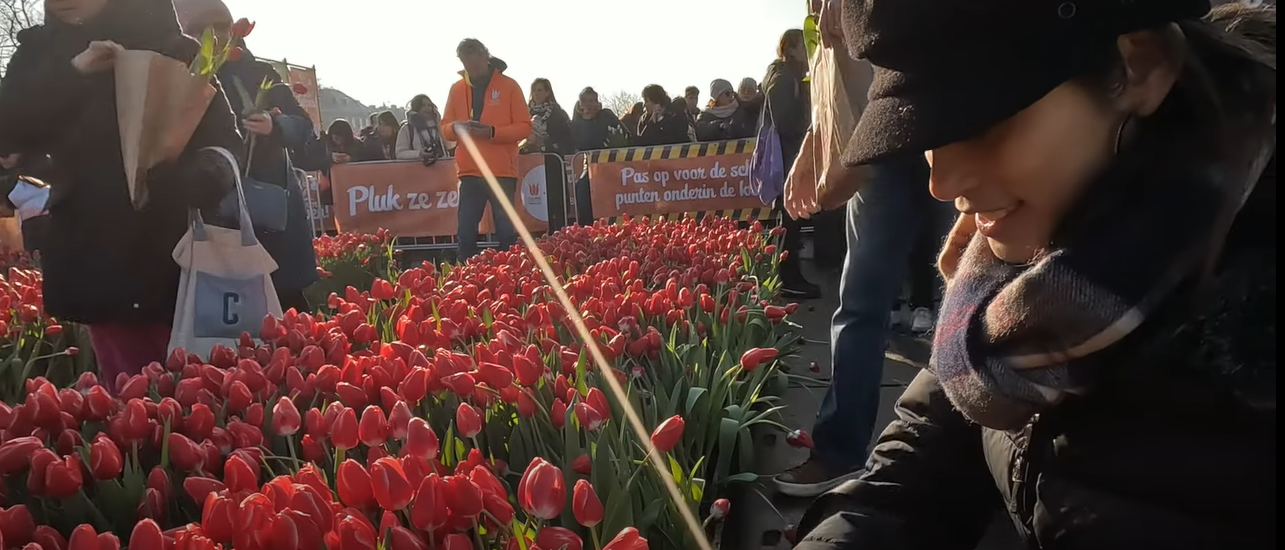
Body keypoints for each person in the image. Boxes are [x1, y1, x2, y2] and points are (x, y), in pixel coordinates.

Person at [795, 2, 1276, 549]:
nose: (943, 183)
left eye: (977, 120)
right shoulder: (1017, 269)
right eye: (924, 129)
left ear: (1138, 66)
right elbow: (922, 459)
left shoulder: (1248, 342)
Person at [0, 0, 242, 392]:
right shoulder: (39, 53)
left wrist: (201, 177)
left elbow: (223, 139)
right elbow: (9, 128)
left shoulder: (173, 46)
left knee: (201, 393)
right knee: (135, 396)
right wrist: (73, 73)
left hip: (176, 249)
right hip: (95, 251)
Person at [176, 0, 321, 315]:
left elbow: (302, 125)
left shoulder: (258, 74)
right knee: (228, 309)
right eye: (201, 32)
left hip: (265, 204)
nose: (212, 39)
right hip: (213, 207)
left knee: (284, 304)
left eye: (219, 30)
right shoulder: (185, 74)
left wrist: (274, 124)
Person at [440, 38, 531, 259]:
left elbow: (524, 127)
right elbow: (444, 129)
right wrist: (456, 127)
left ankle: (512, 284)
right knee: (466, 235)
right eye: (466, 64)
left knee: (506, 235)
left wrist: (492, 132)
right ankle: (462, 287)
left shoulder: (509, 86)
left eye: (475, 64)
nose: (471, 69)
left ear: (485, 57)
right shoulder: (456, 88)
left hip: (501, 172)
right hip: (470, 172)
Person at [761, 29, 822, 299]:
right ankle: (789, 278)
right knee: (791, 221)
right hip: (789, 157)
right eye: (804, 46)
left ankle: (791, 275)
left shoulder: (787, 76)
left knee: (792, 220)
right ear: (792, 49)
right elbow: (786, 121)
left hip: (790, 157)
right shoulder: (785, 78)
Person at [570, 87, 628, 224]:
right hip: (591, 164)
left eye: (593, 100)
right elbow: (580, 142)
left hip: (612, 162)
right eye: (587, 101)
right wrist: (587, 121)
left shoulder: (606, 115)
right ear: (581, 104)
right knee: (582, 188)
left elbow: (624, 133)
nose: (590, 105)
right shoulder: (578, 121)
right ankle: (588, 225)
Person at [524, 78, 573, 155]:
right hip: (530, 159)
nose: (536, 93)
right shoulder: (525, 112)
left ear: (547, 92)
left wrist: (546, 142)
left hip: (552, 157)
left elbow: (565, 137)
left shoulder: (558, 113)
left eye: (539, 90)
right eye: (534, 90)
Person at [396, 94, 449, 162]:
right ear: (416, 108)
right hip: (417, 169)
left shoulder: (439, 127)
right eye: (423, 105)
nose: (427, 108)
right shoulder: (407, 129)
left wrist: (439, 123)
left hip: (442, 167)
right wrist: (419, 154)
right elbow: (400, 153)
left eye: (429, 105)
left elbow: (450, 147)